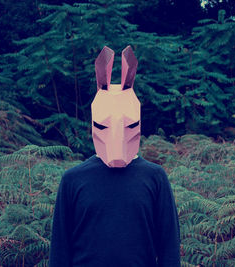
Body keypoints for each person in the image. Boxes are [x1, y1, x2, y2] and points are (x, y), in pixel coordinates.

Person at [49, 46, 180, 267]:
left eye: (128, 126)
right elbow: (60, 251)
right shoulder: (72, 180)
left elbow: (169, 249)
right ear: (93, 122)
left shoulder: (155, 178)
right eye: (104, 125)